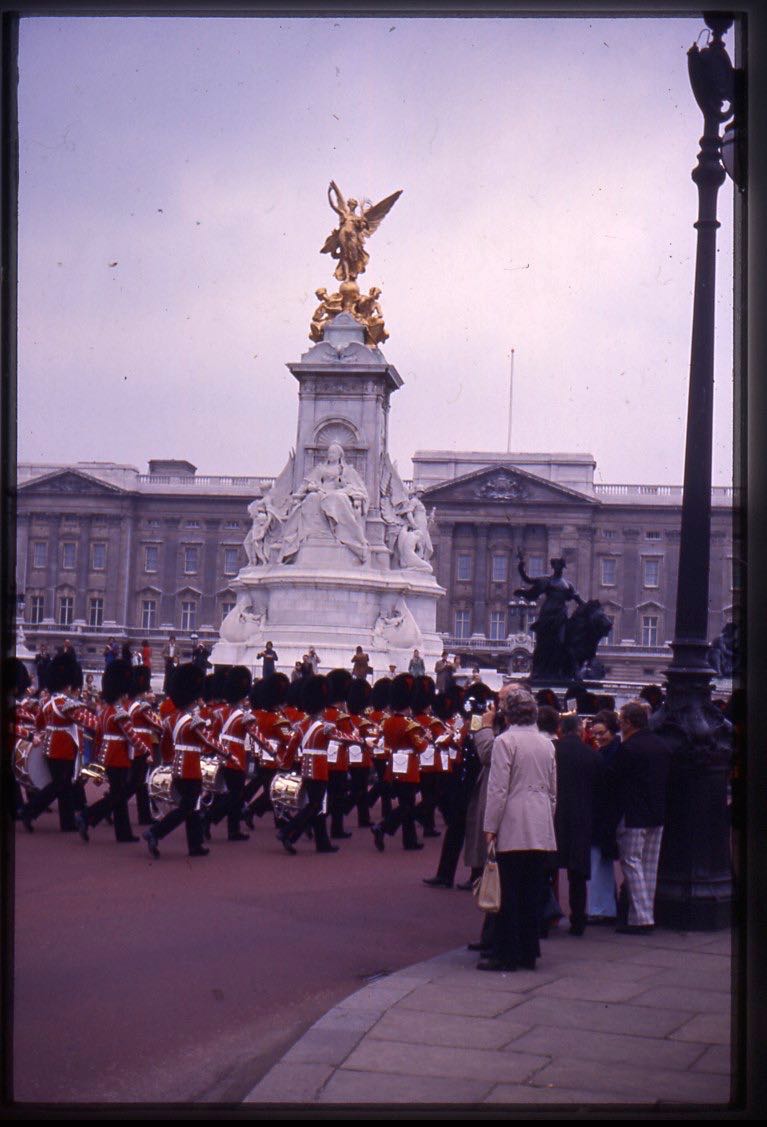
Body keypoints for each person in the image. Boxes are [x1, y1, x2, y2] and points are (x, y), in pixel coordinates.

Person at [480, 685, 557, 972]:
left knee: (508, 893)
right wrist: (546, 819)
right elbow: (552, 791)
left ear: (508, 714)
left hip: (512, 822)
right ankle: (528, 953)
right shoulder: (547, 743)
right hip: (539, 824)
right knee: (531, 891)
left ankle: (506, 954)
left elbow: (498, 789)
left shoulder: (504, 742)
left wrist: (491, 826)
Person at [610, 700, 671, 934]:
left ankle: (643, 917)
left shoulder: (629, 749)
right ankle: (643, 914)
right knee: (649, 866)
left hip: (634, 814)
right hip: (657, 812)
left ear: (628, 722)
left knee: (631, 863)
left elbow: (615, 779)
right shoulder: (662, 746)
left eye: (620, 720)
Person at [143, 663, 215, 859]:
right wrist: (227, 754)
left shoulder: (171, 719)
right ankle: (156, 832)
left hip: (177, 765)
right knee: (188, 806)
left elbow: (166, 744)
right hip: (190, 767)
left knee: (190, 805)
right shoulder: (193, 720)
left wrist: (168, 761)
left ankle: (195, 845)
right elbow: (209, 743)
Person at [552, 713, 601, 936]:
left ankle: (547, 916)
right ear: (581, 732)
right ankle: (578, 921)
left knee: (548, 870)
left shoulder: (553, 751)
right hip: (582, 816)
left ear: (561, 730)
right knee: (577, 874)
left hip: (554, 816)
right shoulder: (592, 755)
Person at [586, 710, 622, 922]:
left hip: (605, 816)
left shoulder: (611, 754)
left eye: (601, 733)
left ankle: (601, 909)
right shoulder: (611, 750)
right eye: (595, 734)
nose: (598, 738)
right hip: (605, 815)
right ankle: (603, 907)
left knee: (598, 864)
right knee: (601, 864)